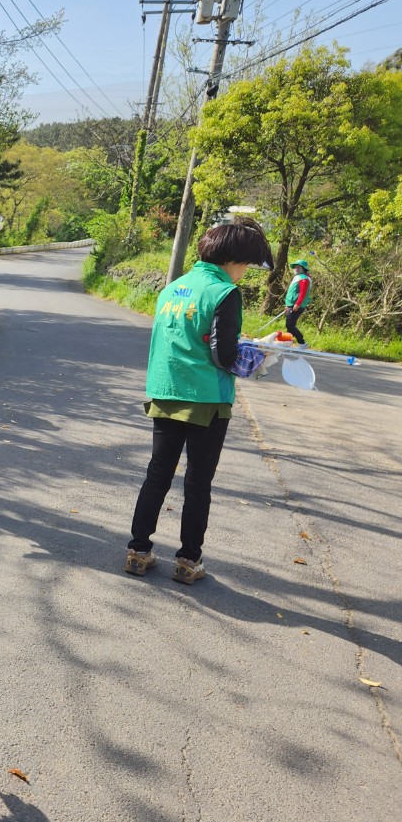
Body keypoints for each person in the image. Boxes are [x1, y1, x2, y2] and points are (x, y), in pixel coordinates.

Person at [124, 217, 274, 585]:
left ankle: (138, 551)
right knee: (197, 482)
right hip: (206, 399)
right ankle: (189, 561)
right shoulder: (224, 292)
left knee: (157, 475)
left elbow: (191, 338)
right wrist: (260, 353)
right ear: (233, 259)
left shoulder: (174, 288)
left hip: (166, 391)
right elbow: (224, 356)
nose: (244, 273)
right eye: (246, 265)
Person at [284, 258, 312, 348]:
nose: (296, 269)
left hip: (297, 305)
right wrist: (287, 305)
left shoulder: (304, 279)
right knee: (289, 325)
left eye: (298, 267)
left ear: (304, 268)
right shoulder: (297, 277)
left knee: (290, 325)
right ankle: (287, 342)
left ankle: (302, 342)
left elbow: (303, 293)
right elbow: (292, 292)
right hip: (291, 304)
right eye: (295, 267)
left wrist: (297, 304)